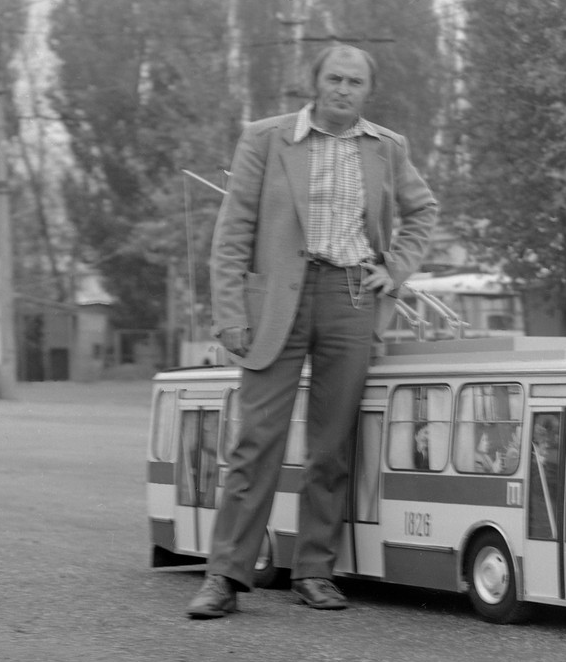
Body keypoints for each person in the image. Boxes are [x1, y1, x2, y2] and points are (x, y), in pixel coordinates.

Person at [187, 44, 438, 619]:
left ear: (368, 91)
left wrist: (394, 269)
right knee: (257, 441)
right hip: (276, 301)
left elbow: (423, 212)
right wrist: (229, 313)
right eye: (335, 78)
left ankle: (315, 572)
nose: (344, 89)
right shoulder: (266, 138)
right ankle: (224, 576)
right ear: (314, 82)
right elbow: (232, 234)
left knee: (332, 445)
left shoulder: (388, 149)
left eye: (356, 81)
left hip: (351, 299)